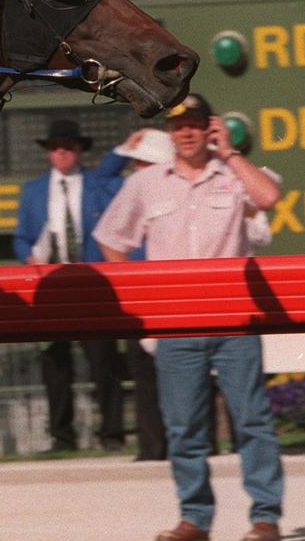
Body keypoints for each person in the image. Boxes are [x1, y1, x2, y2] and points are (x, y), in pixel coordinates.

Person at [94, 93, 284, 541]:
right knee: (183, 428)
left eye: (196, 124)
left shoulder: (232, 175)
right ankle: (195, 518)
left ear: (209, 127)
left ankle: (265, 517)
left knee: (253, 421)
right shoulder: (146, 183)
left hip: (236, 320)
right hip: (176, 323)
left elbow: (269, 196)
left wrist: (231, 153)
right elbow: (110, 240)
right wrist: (143, 297)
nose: (187, 132)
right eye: (179, 125)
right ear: (170, 131)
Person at [13, 119, 128, 452]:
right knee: (55, 364)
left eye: (67, 146)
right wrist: (29, 259)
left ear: (79, 150)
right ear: (48, 153)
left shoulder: (98, 184)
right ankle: (62, 437)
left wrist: (124, 150)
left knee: (103, 361)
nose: (61, 153)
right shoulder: (33, 191)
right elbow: (22, 238)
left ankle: (112, 433)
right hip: (51, 285)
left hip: (93, 283)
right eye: (54, 147)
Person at [112, 128, 175, 462]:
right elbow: (102, 177)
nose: (135, 167)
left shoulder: (174, 190)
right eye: (136, 162)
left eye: (142, 162)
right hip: (139, 297)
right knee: (143, 375)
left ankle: (199, 442)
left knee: (186, 374)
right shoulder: (128, 190)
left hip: (170, 295)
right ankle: (152, 447)